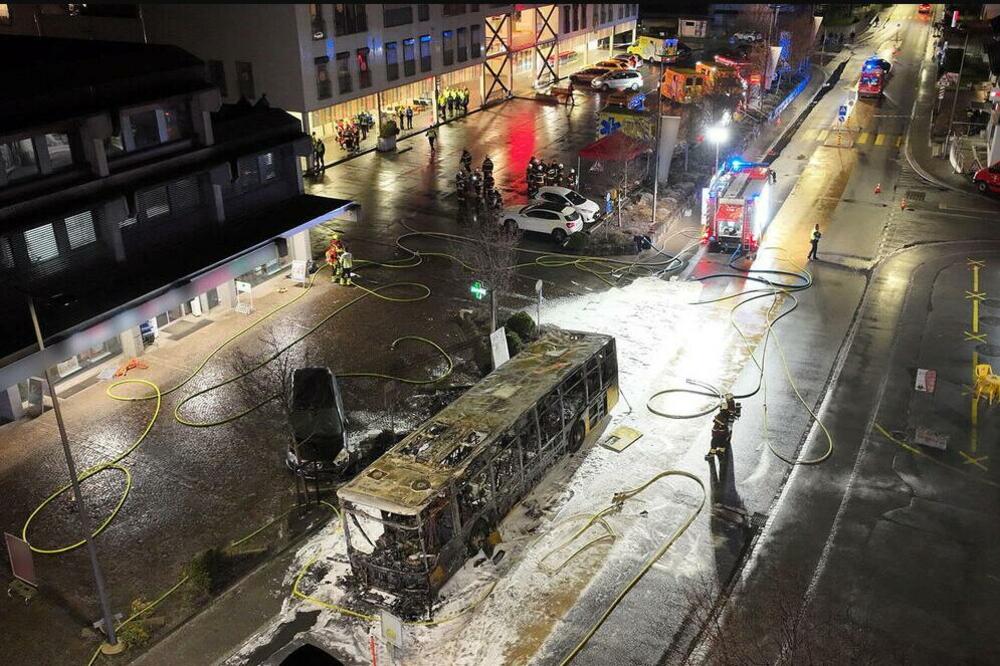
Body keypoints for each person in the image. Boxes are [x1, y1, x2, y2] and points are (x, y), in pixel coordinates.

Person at [706, 394, 741, 461]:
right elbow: (731, 412)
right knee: (722, 442)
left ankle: (713, 453)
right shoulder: (728, 412)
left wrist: (716, 420)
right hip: (723, 432)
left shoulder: (722, 415)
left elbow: (719, 420)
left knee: (715, 442)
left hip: (719, 432)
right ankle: (720, 452)